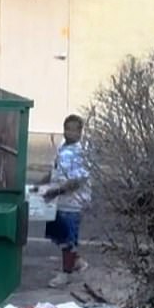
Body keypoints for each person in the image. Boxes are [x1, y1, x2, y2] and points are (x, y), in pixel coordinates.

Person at [33, 114, 91, 288]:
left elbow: (77, 181)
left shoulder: (81, 153)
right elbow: (55, 171)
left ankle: (66, 273)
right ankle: (77, 261)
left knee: (68, 238)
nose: (69, 133)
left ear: (80, 132)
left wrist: (57, 191)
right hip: (59, 200)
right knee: (58, 234)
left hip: (73, 202)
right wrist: (40, 185)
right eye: (67, 128)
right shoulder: (62, 147)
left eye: (74, 129)